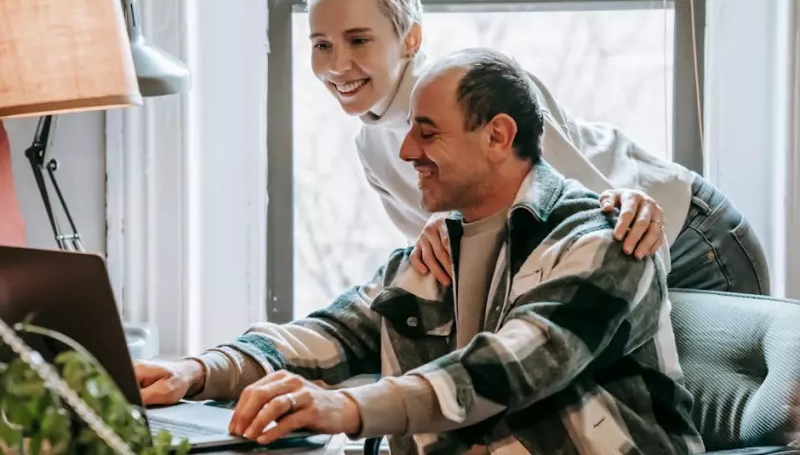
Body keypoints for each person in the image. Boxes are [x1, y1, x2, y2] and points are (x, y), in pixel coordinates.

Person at [136, 49, 703, 454]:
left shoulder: (605, 239)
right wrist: (197, 371)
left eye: (428, 133)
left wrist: (350, 409)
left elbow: (514, 365)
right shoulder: (438, 248)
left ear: (498, 137)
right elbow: (337, 332)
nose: (407, 150)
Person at [304, 0, 770, 294]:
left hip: (688, 238)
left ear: (411, 39)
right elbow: (452, 261)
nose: (338, 65)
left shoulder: (482, 88)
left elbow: (589, 207)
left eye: (358, 40)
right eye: (321, 44)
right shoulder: (372, 147)